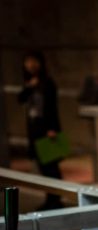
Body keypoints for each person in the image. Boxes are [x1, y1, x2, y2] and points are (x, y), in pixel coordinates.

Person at [18, 50, 64, 210]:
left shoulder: (47, 83)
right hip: (35, 130)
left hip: (47, 130)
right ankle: (50, 198)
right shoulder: (29, 83)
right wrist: (29, 87)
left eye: (33, 61)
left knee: (51, 167)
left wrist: (52, 128)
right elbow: (20, 98)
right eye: (28, 61)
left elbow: (52, 108)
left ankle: (56, 198)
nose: (30, 65)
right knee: (43, 167)